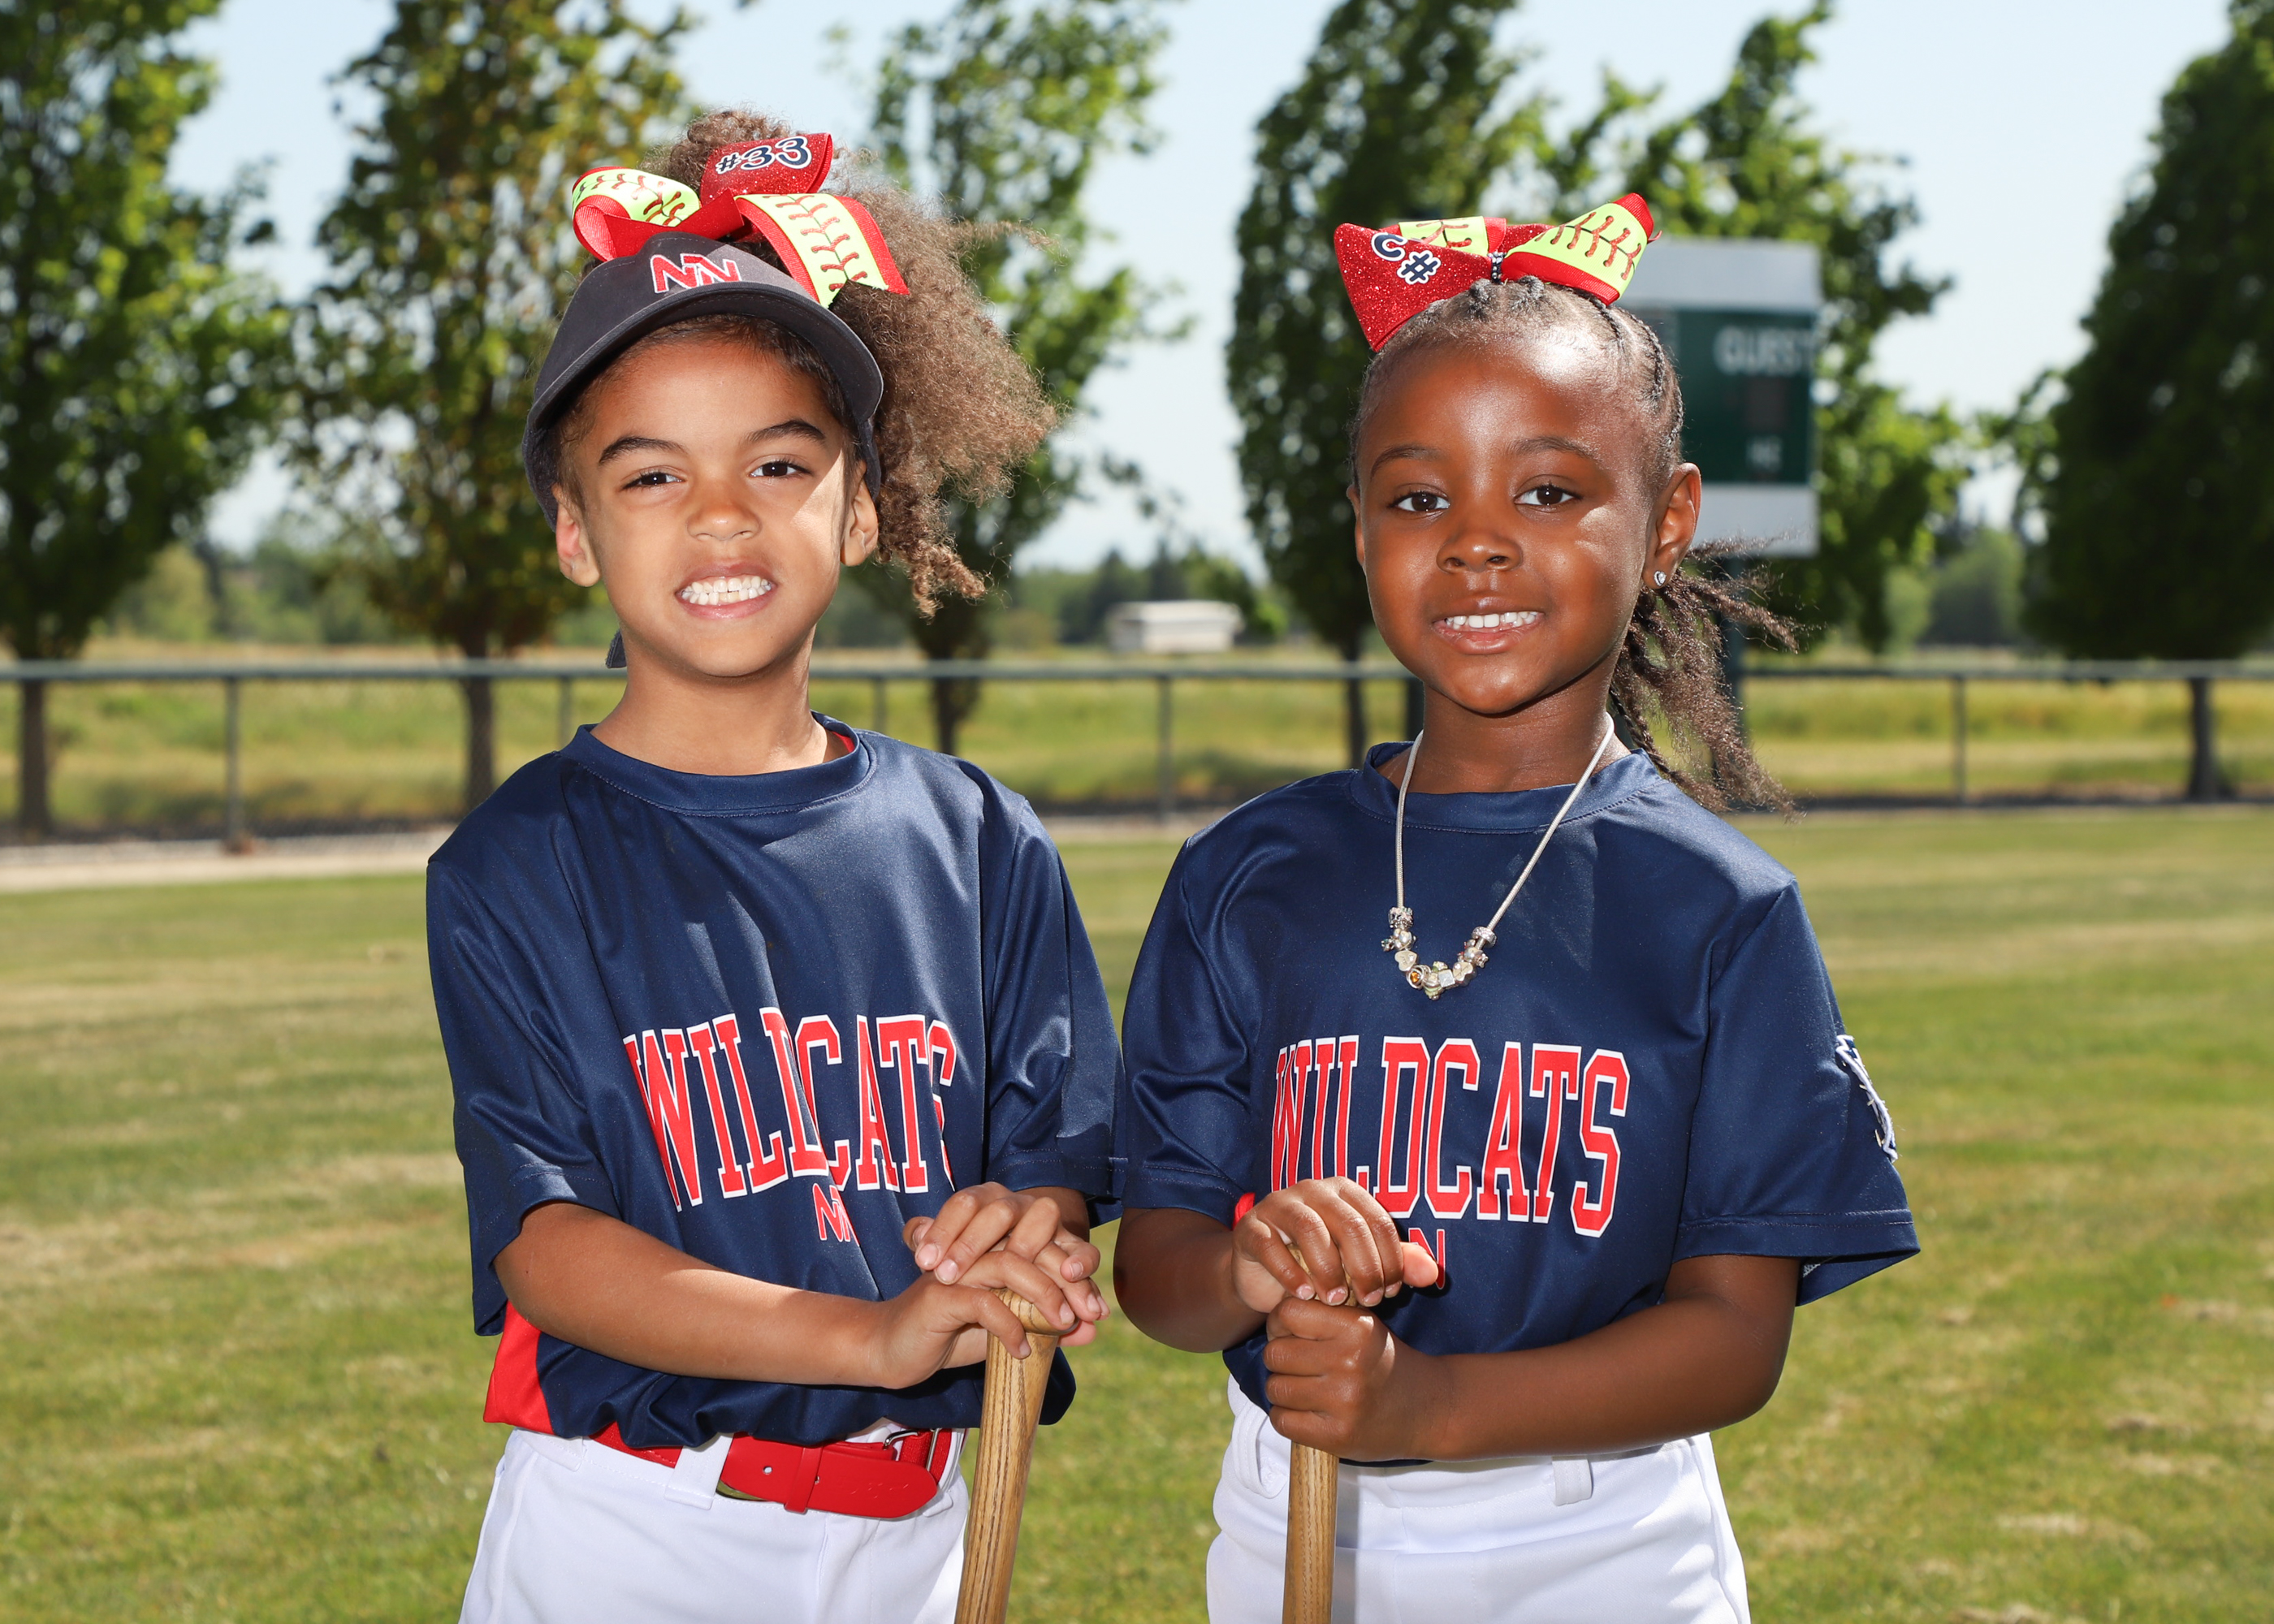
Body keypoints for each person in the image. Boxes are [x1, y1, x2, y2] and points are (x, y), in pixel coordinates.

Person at [1111, 198, 1916, 1622]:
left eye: (1547, 493)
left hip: (1603, 1542)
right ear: (1361, 529)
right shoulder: (1247, 873)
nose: (1477, 545)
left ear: (1666, 525)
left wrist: (1431, 1405)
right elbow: (1158, 1277)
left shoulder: (1721, 908)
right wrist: (1251, 1262)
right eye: (1420, 499)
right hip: (1297, 1515)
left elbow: (1736, 1338)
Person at [429, 112, 1120, 1624]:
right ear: (573, 532)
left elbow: (1051, 1168)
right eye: (651, 477)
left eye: (780, 462)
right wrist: (869, 1335)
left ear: (860, 507)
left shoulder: (979, 836)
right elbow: (548, 1247)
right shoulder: (518, 863)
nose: (723, 514)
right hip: (635, 1534)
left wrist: (1026, 1231)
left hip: (920, 1534)